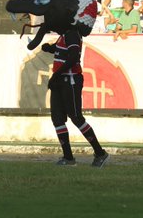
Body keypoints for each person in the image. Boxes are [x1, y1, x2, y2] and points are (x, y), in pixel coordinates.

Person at [40, 20, 109, 167]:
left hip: (70, 80)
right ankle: (68, 157)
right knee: (57, 118)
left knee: (76, 117)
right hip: (61, 79)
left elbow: (73, 57)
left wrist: (56, 75)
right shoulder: (65, 34)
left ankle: (100, 153)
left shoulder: (71, 34)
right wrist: (51, 48)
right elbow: (65, 52)